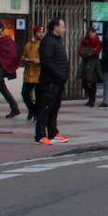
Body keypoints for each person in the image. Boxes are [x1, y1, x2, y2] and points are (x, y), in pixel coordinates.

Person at [35, 17, 69, 145]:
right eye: (63, 26)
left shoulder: (57, 41)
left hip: (58, 81)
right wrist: (59, 74)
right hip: (49, 81)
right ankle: (40, 135)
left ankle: (53, 133)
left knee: (54, 108)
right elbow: (47, 62)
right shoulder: (48, 41)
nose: (64, 29)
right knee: (45, 107)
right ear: (55, 27)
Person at [20, 24, 44, 121]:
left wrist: (40, 61)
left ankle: (36, 113)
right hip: (29, 73)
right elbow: (23, 57)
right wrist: (25, 60)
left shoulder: (44, 44)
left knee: (39, 96)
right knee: (25, 94)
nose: (41, 34)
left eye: (42, 32)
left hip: (39, 74)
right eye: (39, 32)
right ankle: (32, 110)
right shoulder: (28, 45)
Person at [77, 27, 102, 106]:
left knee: (92, 82)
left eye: (94, 32)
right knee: (84, 82)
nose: (92, 34)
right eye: (91, 32)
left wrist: (89, 51)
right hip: (85, 62)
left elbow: (96, 51)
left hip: (94, 64)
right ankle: (90, 98)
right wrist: (88, 51)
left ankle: (92, 100)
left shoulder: (97, 41)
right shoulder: (84, 40)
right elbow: (81, 51)